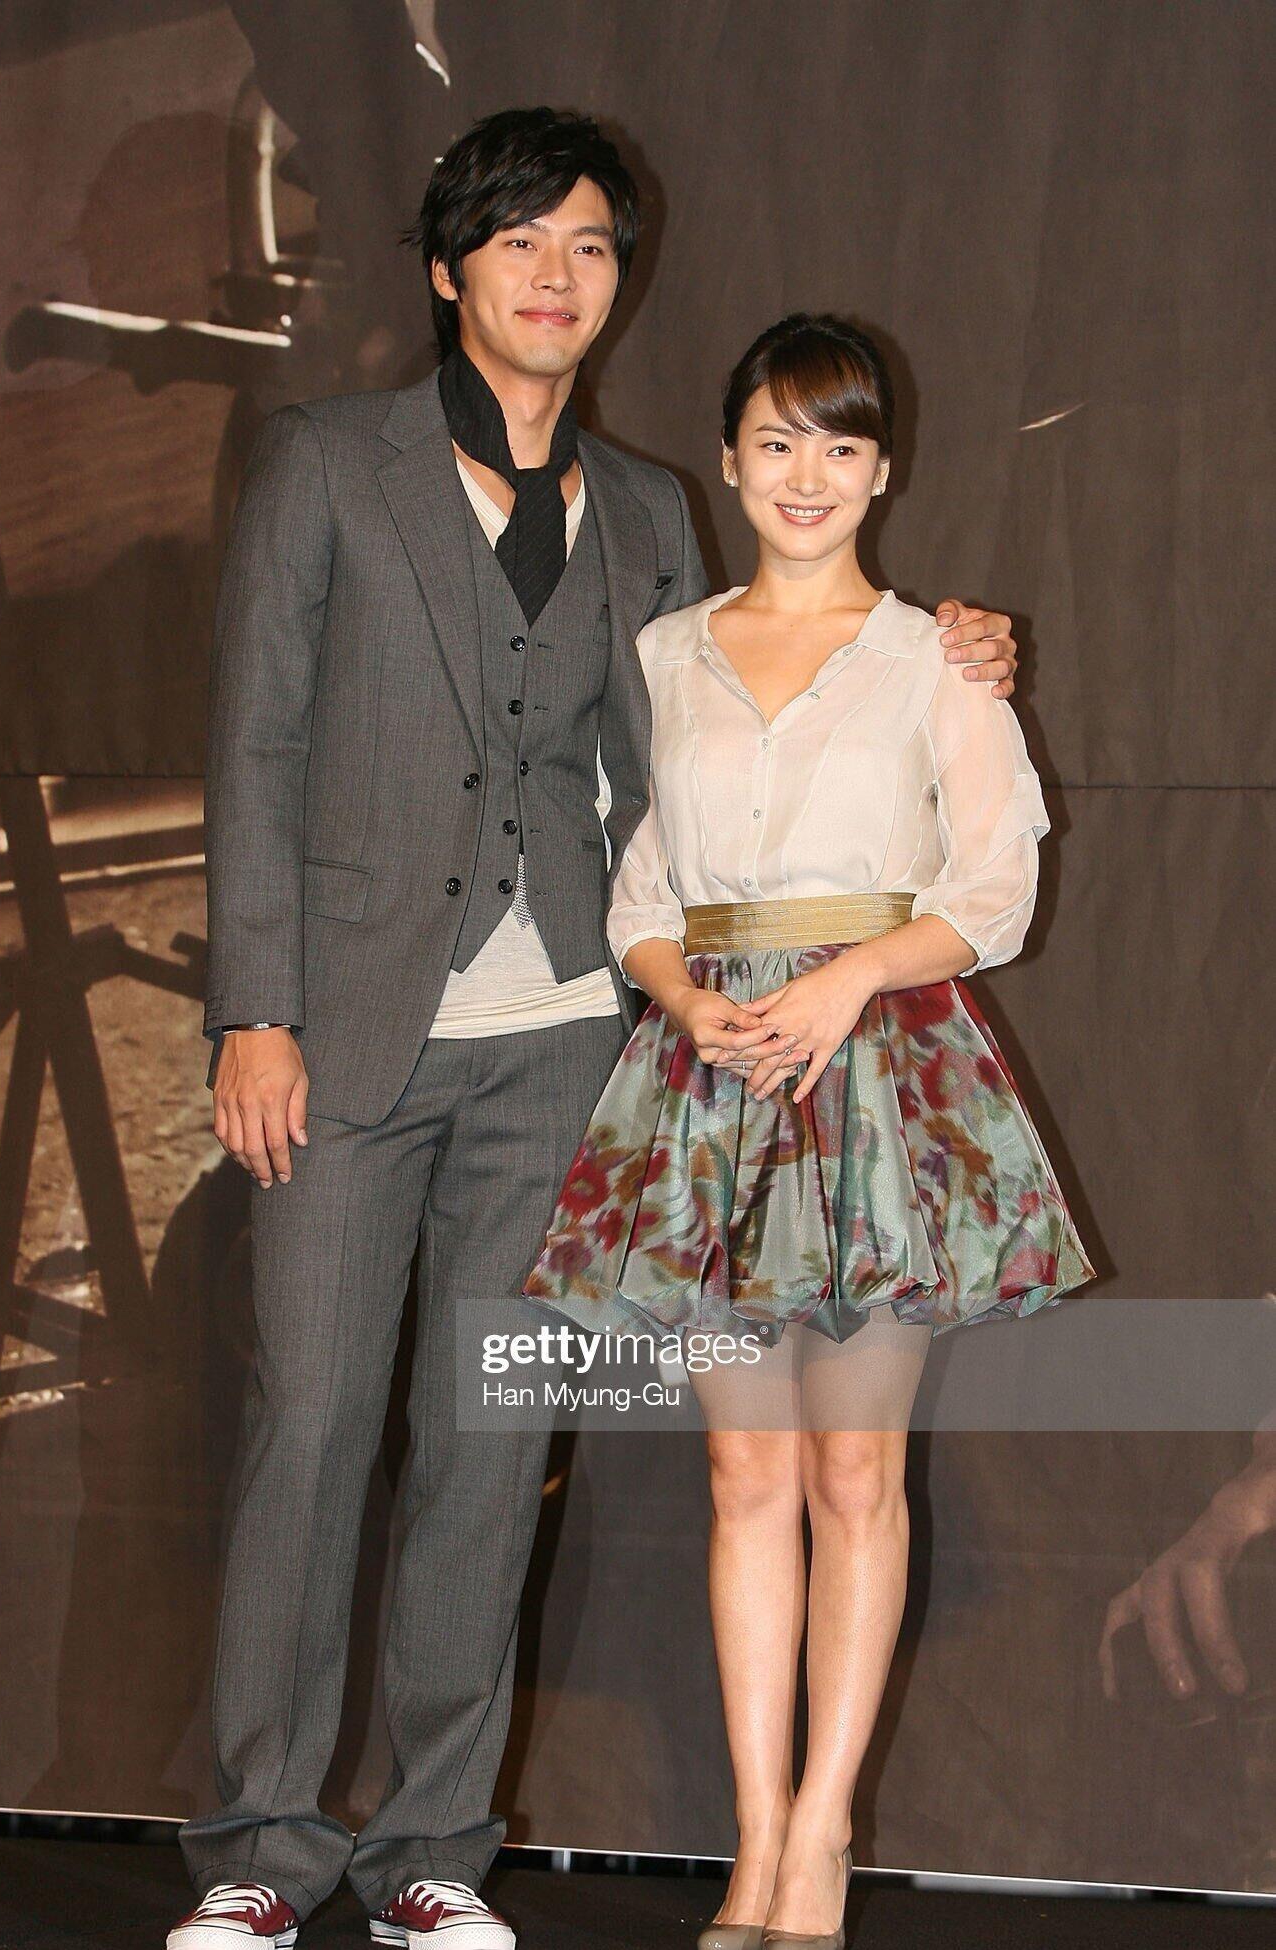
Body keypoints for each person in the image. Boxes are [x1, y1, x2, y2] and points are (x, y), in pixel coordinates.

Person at [174, 105, 1021, 1950]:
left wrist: (963, 650)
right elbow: (254, 741)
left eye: (590, 247)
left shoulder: (647, 512)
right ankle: (258, 1848)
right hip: (343, 1040)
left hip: (567, 1044)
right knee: (309, 1425)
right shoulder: (326, 462)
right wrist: (254, 1008)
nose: (558, 277)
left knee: (491, 1447)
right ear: (448, 269)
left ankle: (431, 1851)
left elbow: (703, 768)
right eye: (522, 243)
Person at [524, 313, 1094, 1950]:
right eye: (777, 441)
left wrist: (850, 977)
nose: (807, 474)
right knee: (742, 1469)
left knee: (856, 1467)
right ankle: (757, 1834)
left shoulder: (937, 657)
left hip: (878, 1082)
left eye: (840, 446)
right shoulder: (666, 654)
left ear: (883, 471)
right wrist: (681, 999)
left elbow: (995, 888)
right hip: (713, 1083)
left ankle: (827, 1829)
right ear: (729, 459)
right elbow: (640, 885)